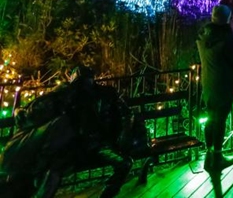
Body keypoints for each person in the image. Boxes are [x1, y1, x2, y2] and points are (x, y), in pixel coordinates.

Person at [0, 66, 133, 198]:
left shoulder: (106, 94)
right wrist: (22, 110)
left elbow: (126, 114)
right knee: (54, 168)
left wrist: (122, 138)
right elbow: (40, 106)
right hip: (76, 146)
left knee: (124, 163)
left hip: (98, 144)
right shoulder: (66, 93)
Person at [197, 5, 233, 175]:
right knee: (220, 120)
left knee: (210, 118)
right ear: (227, 18)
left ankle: (209, 154)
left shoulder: (203, 33)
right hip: (224, 83)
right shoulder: (225, 36)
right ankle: (217, 157)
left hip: (207, 82)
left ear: (212, 15)